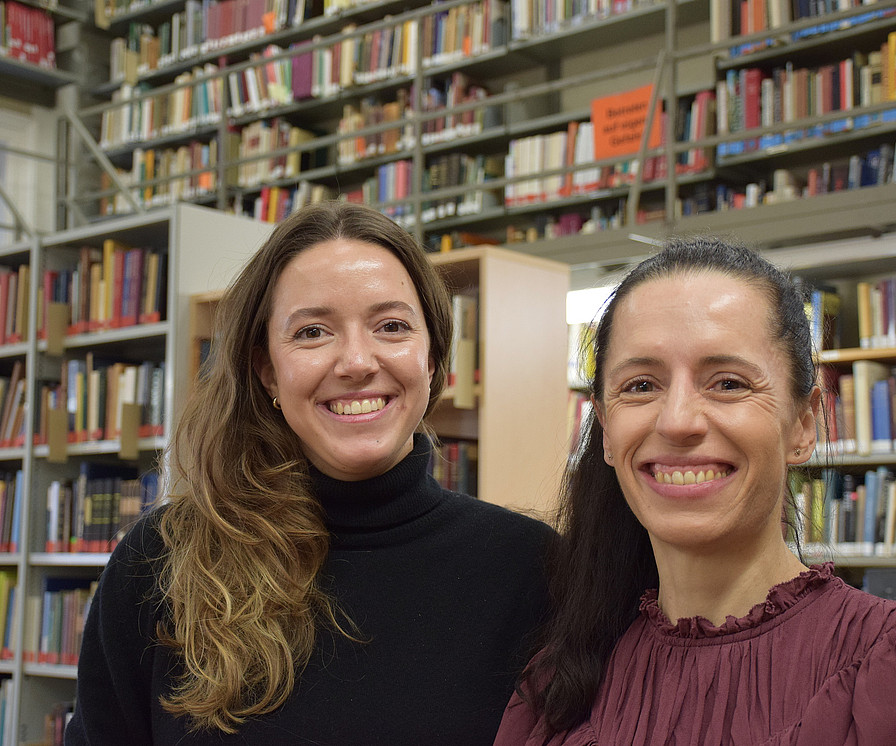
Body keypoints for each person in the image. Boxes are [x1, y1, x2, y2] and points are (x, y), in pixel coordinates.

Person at [67, 201, 555, 745]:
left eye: (391, 326)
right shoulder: (162, 563)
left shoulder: (535, 571)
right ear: (267, 370)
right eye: (312, 333)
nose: (356, 361)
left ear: (434, 357)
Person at [495, 236, 896, 745]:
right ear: (604, 429)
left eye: (729, 383)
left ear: (803, 424)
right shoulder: (555, 691)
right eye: (641, 385)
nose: (678, 421)